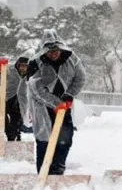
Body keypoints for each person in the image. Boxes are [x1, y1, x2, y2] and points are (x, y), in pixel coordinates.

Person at [26, 29, 86, 175]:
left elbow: (80, 78)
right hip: (42, 106)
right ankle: (44, 172)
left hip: (65, 104)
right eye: (49, 51)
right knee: (44, 140)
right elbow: (36, 89)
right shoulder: (35, 62)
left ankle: (57, 171)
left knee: (65, 138)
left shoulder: (72, 59)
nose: (53, 53)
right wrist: (55, 103)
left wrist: (69, 95)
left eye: (56, 50)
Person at [2, 50, 33, 141]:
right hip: (7, 98)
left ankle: (14, 136)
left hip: (20, 101)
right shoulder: (10, 71)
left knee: (17, 120)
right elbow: (2, 73)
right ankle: (8, 131)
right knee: (2, 116)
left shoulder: (30, 75)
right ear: (18, 65)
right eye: (21, 66)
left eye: (25, 66)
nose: (23, 68)